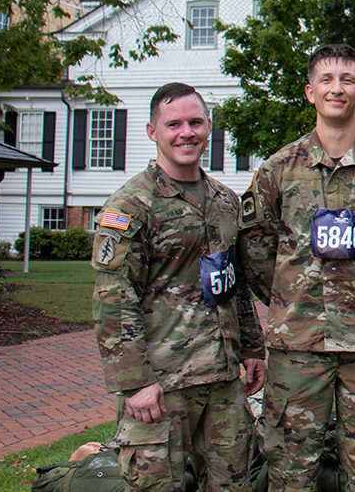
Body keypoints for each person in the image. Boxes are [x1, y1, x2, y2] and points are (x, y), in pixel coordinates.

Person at [239, 44, 355, 492]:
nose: (336, 88)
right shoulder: (279, 169)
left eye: (347, 80)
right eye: (327, 79)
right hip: (297, 346)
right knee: (290, 470)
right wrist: (289, 295)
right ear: (310, 91)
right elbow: (255, 247)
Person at [92, 82, 264, 491]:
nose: (186, 132)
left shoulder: (224, 201)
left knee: (233, 484)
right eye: (173, 124)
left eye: (194, 122)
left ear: (209, 126)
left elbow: (232, 282)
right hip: (162, 386)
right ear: (153, 131)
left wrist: (252, 348)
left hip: (222, 380)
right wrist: (134, 382)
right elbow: (114, 298)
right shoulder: (131, 205)